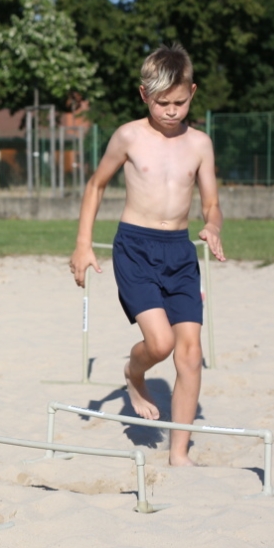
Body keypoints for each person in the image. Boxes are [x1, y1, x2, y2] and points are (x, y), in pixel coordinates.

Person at [70, 44, 225, 467]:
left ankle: (179, 453)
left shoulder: (200, 144)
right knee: (160, 343)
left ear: (192, 92)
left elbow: (211, 204)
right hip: (135, 248)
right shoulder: (129, 136)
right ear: (144, 95)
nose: (171, 111)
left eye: (179, 102)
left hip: (180, 252)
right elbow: (96, 185)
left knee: (189, 353)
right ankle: (133, 373)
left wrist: (212, 226)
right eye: (161, 103)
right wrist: (83, 243)